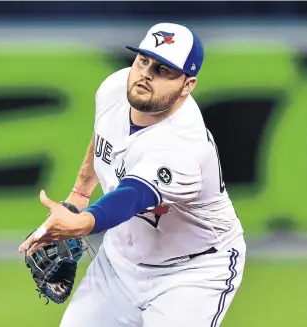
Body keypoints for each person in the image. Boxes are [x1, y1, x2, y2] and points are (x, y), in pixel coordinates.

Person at [19, 22, 246, 327]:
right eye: (143, 60)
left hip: (192, 273)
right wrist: (79, 195)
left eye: (164, 69)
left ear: (187, 85)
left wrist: (83, 223)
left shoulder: (184, 145)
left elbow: (132, 196)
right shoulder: (115, 88)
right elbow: (102, 139)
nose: (146, 74)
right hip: (119, 264)